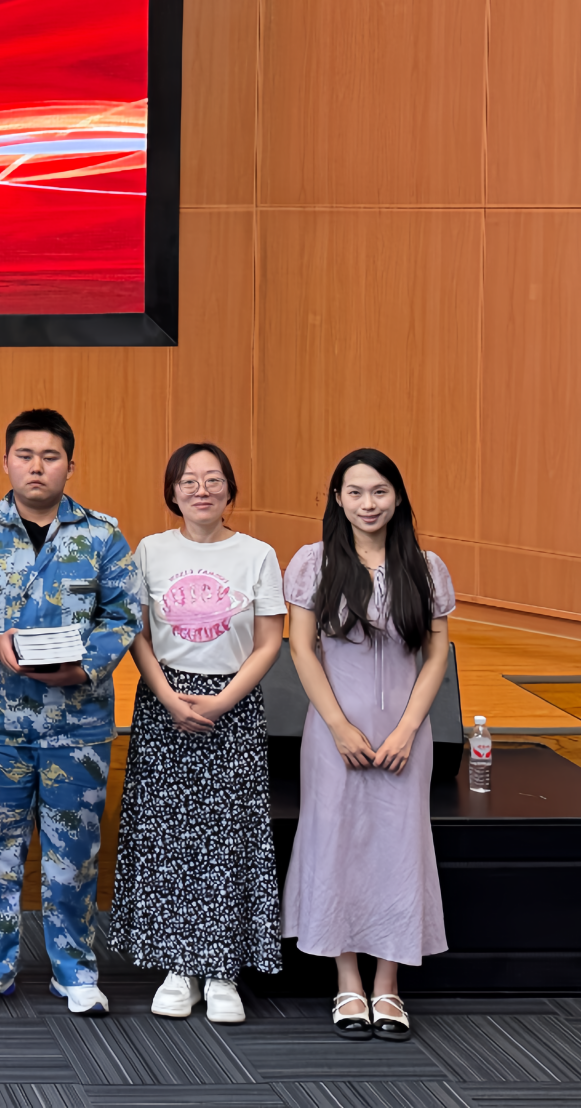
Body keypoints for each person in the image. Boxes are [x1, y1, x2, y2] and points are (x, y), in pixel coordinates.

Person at [0, 408, 139, 1017]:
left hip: (77, 723)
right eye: (25, 456)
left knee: (73, 852)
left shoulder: (102, 536)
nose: (37, 467)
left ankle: (75, 970)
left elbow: (123, 615)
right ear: (6, 462)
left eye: (50, 457)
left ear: (70, 465)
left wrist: (86, 667)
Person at [106, 443, 284, 1025]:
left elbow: (269, 642)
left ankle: (223, 970)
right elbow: (137, 633)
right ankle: (178, 967)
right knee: (168, 837)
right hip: (165, 702)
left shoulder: (257, 554)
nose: (201, 490)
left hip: (233, 705)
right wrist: (166, 696)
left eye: (213, 480)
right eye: (189, 481)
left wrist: (225, 700)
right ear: (172, 492)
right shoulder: (150, 550)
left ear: (231, 489)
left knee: (229, 838)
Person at [283, 448, 455, 1042]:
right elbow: (301, 648)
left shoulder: (426, 567)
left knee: (399, 849)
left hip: (406, 734)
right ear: (338, 499)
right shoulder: (314, 563)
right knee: (336, 845)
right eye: (355, 492)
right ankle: (347, 980)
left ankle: (388, 985)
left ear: (398, 497)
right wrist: (337, 725)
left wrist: (408, 729)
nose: (368, 503)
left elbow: (436, 655)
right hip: (335, 733)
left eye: (379, 491)